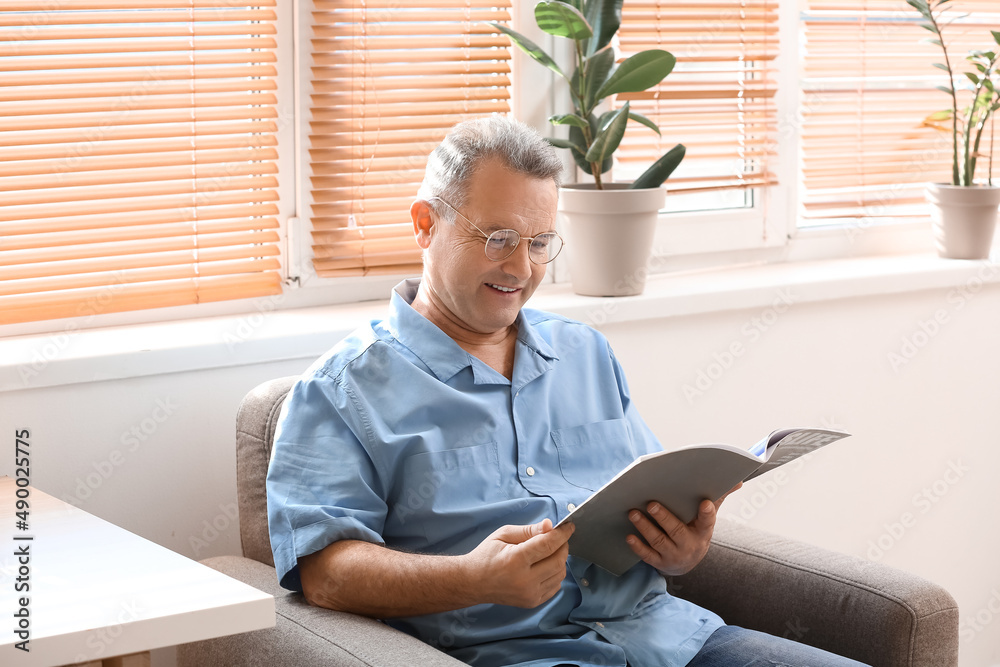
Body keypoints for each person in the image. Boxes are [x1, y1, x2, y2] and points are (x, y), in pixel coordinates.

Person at [266, 115, 868, 667]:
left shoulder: (584, 354)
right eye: (498, 236)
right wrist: (472, 579)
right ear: (426, 224)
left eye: (538, 243)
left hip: (669, 639)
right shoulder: (341, 391)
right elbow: (324, 572)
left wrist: (681, 548)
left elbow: (644, 492)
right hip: (520, 654)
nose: (521, 268)